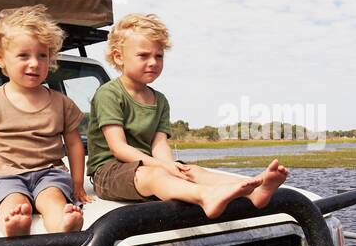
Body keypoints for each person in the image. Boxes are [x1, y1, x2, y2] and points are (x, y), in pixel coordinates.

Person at [86, 13, 287, 218]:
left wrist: (171, 166)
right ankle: (205, 196)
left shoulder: (160, 100)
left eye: (159, 56)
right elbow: (119, 148)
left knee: (193, 171)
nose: (153, 62)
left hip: (149, 165)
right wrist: (163, 167)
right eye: (143, 55)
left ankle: (254, 192)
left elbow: (159, 144)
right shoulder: (109, 93)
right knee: (155, 175)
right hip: (110, 171)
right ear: (119, 57)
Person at [0, 5, 91, 236]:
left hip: (49, 172)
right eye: (23, 55)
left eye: (42, 55)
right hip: (4, 175)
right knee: (12, 202)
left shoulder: (62, 103)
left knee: (53, 200)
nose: (35, 63)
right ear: (0, 58)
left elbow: (74, 144)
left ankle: (63, 227)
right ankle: (13, 225)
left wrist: (78, 183)